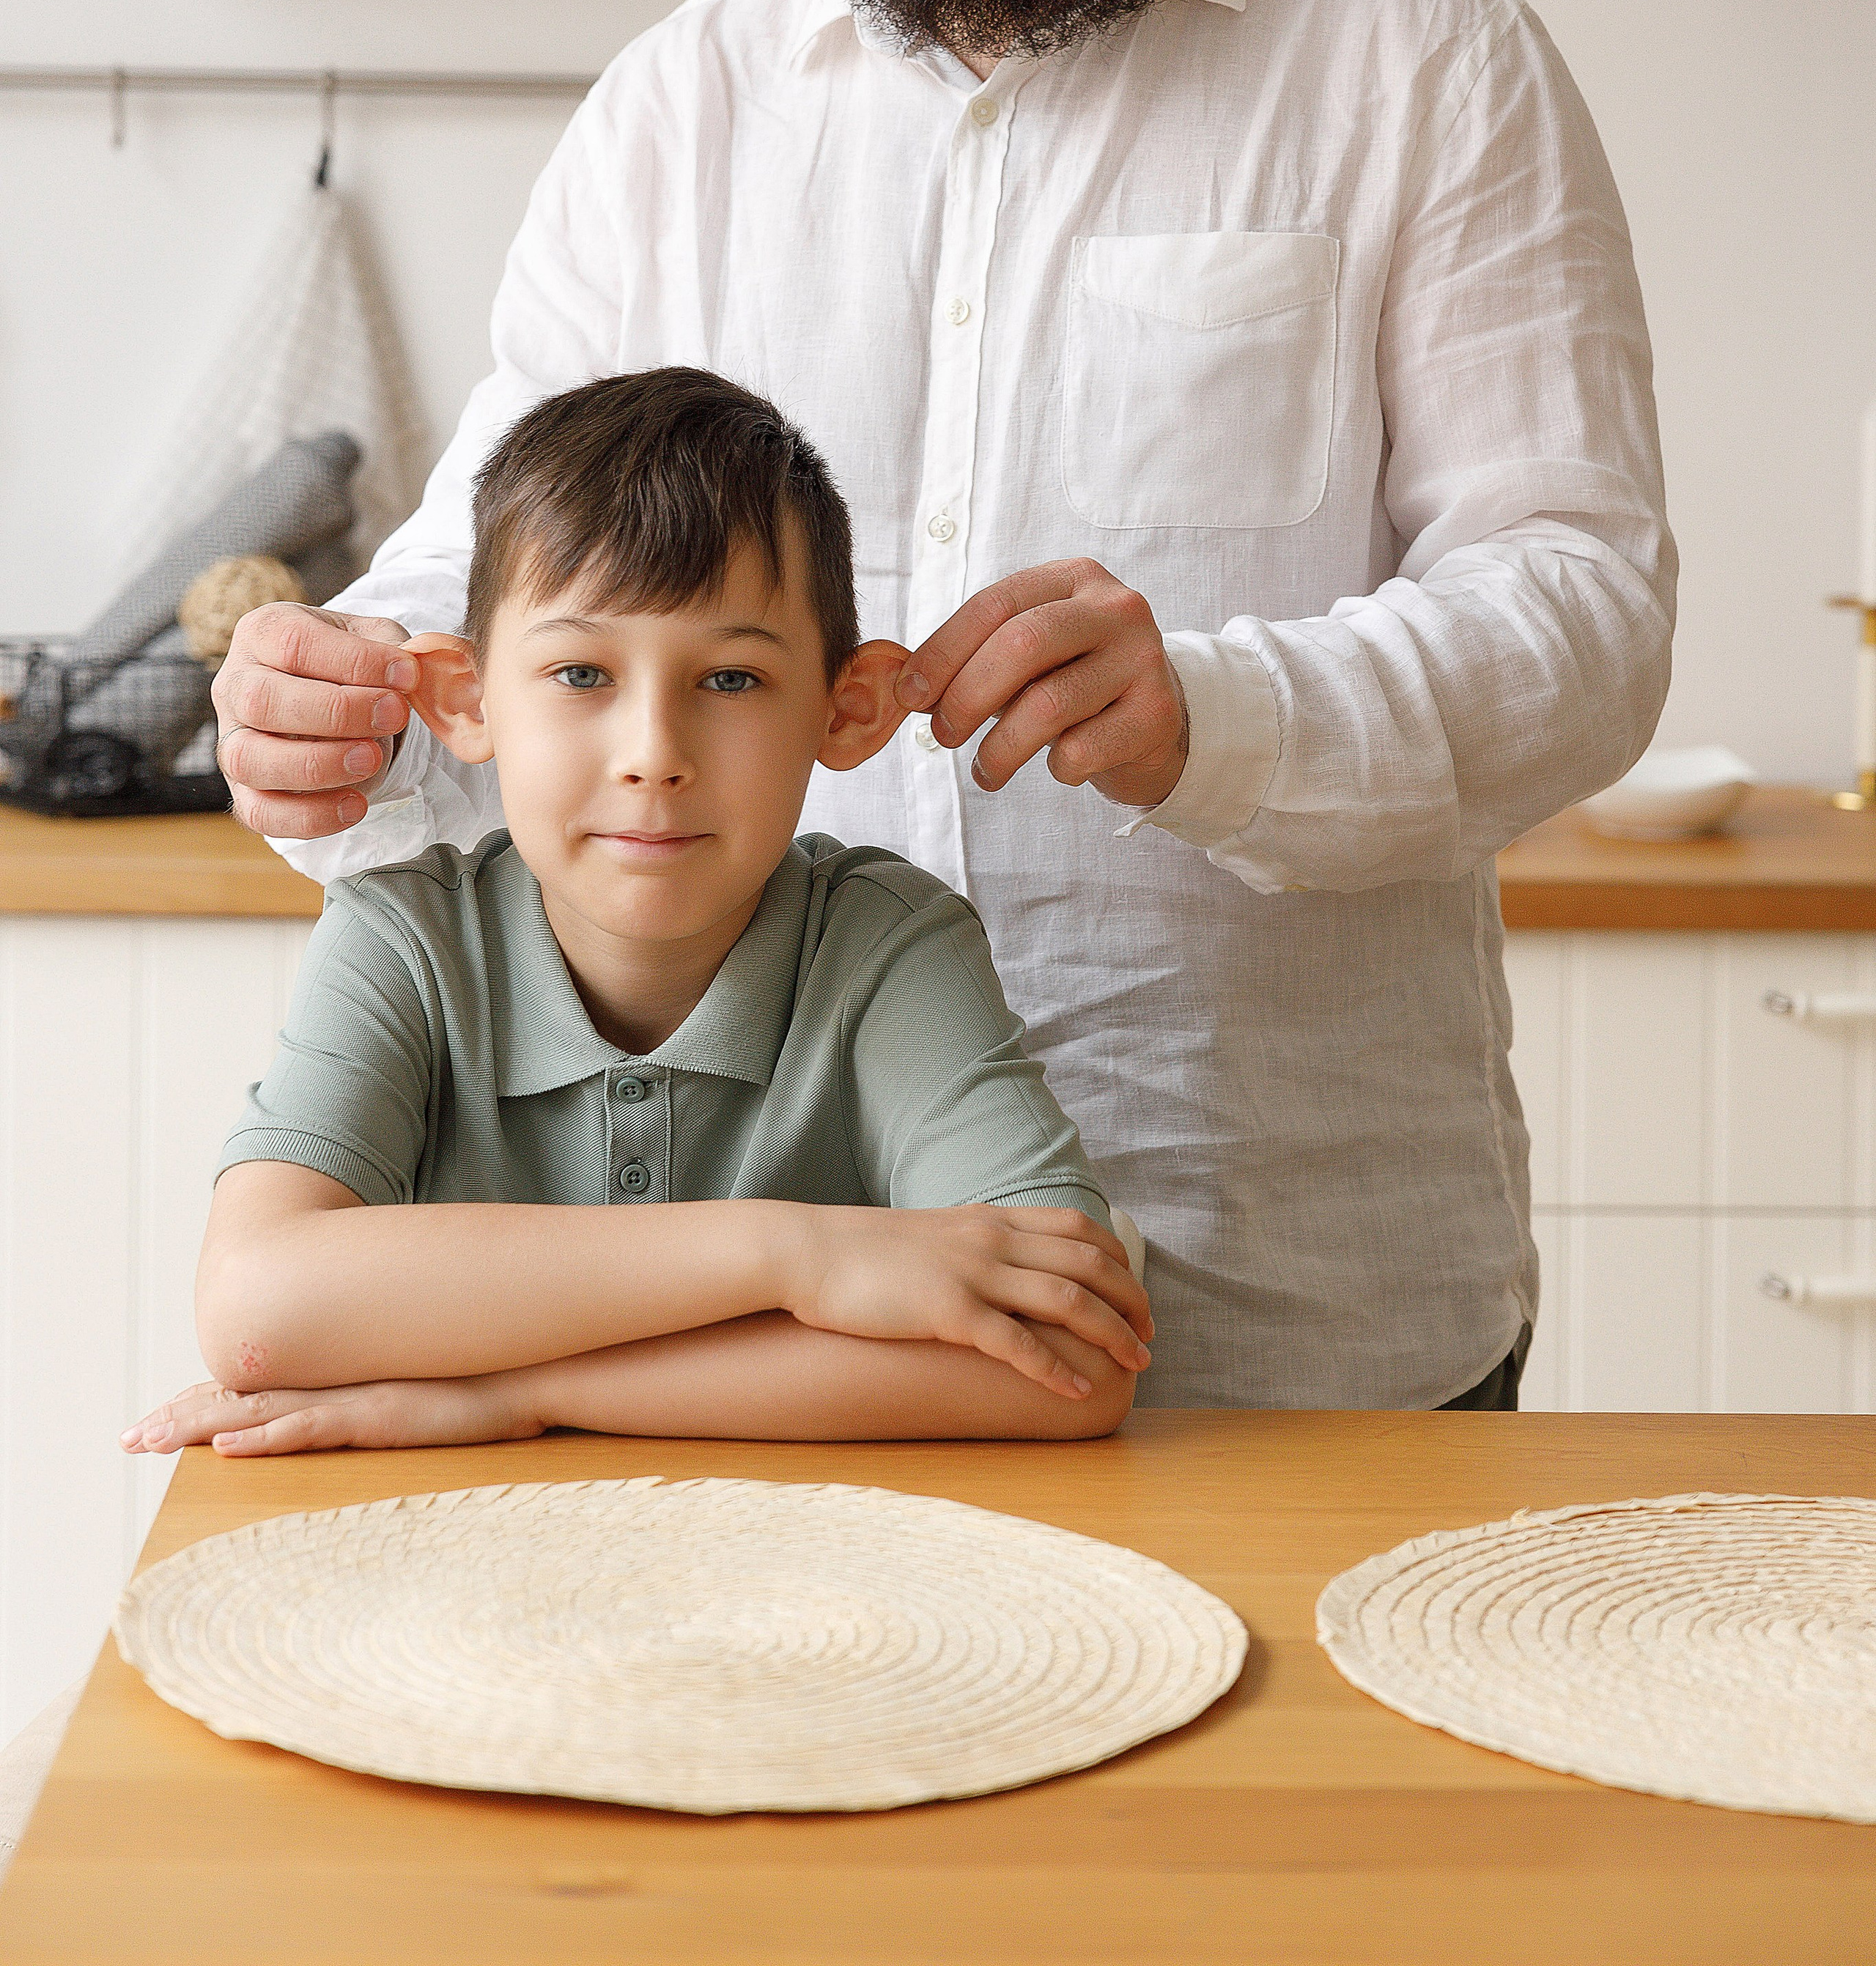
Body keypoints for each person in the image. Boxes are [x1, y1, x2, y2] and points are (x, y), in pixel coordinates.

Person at [210, 0, 1674, 1413]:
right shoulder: (677, 115)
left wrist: (1224, 714)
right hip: (779, 1346)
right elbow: (490, 620)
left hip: (1312, 1321)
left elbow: (1590, 624)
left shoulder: (1427, 63)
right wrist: (331, 718)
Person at [125, 370, 1151, 1460]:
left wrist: (511, 1393)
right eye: (580, 672)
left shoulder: (888, 943)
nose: (654, 755)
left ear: (845, 709)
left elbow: (1072, 1363)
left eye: (731, 681)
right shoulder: (406, 937)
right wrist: (798, 1257)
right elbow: (253, 1312)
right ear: (465, 701)